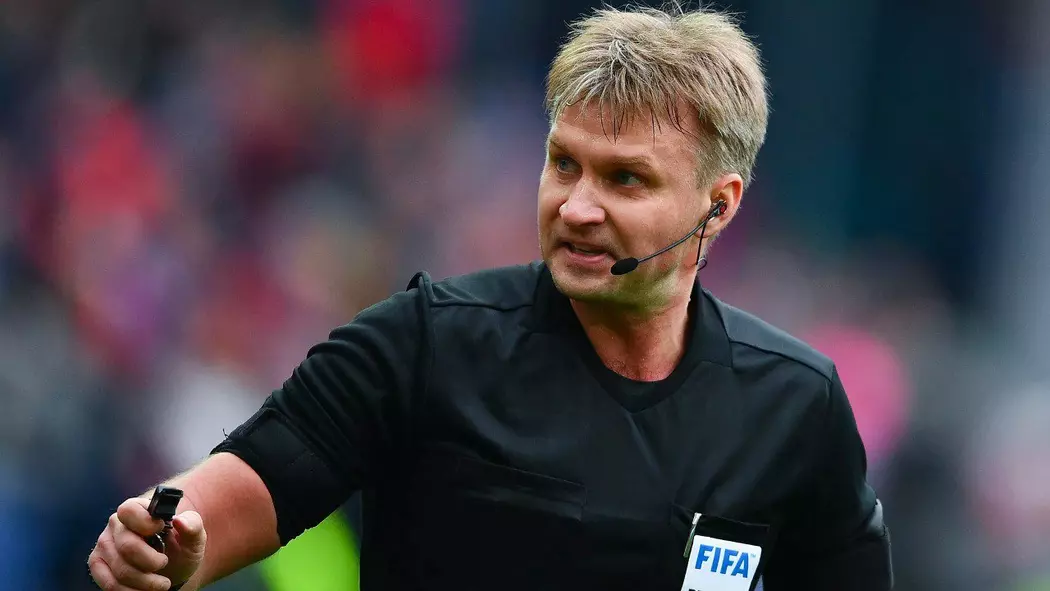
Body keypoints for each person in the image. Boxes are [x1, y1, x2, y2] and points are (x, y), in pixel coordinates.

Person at [87, 5, 893, 591]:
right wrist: (163, 543)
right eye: (564, 163)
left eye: (625, 179)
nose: (577, 205)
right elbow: (240, 488)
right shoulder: (422, 344)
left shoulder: (796, 406)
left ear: (718, 206)